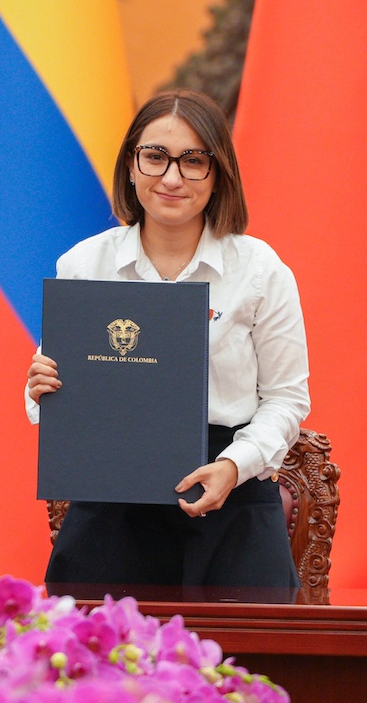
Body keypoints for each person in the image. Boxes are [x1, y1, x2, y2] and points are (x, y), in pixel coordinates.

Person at [26, 89, 308, 589]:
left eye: (193, 161)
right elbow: (54, 397)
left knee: (245, 665)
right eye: (155, 157)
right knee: (97, 661)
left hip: (231, 494)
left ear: (218, 173)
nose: (172, 177)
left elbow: (287, 399)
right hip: (112, 499)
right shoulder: (84, 265)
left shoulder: (262, 270)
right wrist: (40, 387)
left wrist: (233, 465)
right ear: (131, 167)